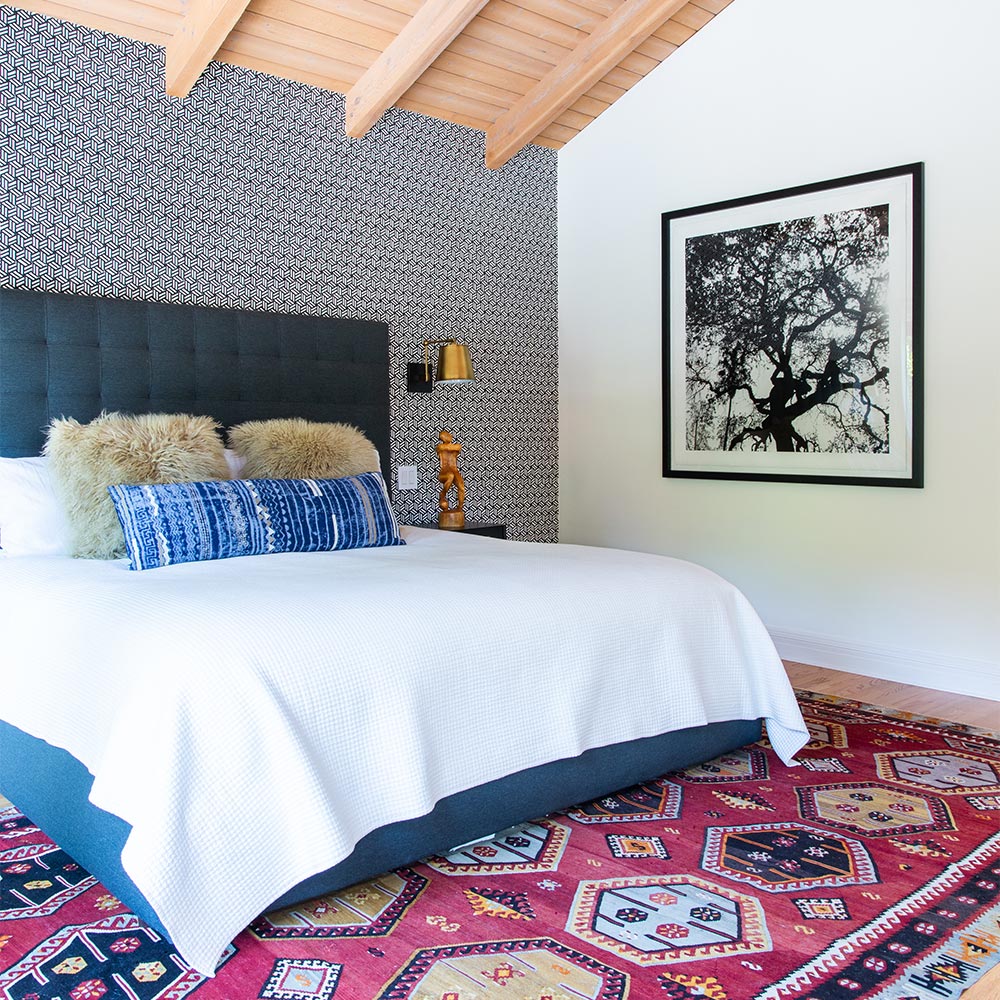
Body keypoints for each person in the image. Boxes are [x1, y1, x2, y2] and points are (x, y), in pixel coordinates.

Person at [436, 430, 465, 513]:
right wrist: (449, 447)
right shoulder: (440, 447)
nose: (446, 438)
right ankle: (443, 494)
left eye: (446, 436)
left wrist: (449, 447)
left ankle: (460, 507)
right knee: (450, 476)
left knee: (462, 488)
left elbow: (457, 447)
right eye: (443, 437)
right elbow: (443, 448)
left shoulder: (456, 446)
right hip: (444, 472)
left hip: (454, 470)